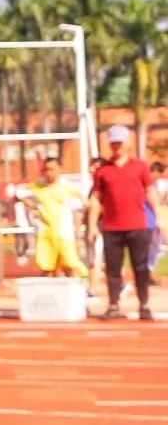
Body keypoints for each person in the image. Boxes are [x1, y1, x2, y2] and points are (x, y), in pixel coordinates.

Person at [89, 125, 158, 321]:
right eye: (114, 142)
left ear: (127, 143)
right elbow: (96, 198)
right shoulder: (103, 171)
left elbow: (150, 192)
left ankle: (143, 304)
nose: (117, 146)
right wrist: (93, 224)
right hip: (112, 228)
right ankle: (113, 305)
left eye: (120, 141)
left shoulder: (140, 166)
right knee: (113, 270)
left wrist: (159, 217)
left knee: (141, 268)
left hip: (138, 227)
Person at [22, 156, 87, 278]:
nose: (49, 173)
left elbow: (76, 214)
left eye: (52, 169)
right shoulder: (36, 186)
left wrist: (78, 237)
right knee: (47, 268)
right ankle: (47, 294)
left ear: (60, 169)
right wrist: (32, 205)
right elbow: (19, 195)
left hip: (65, 235)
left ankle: (76, 293)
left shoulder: (68, 188)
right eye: (46, 169)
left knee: (71, 266)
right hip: (46, 235)